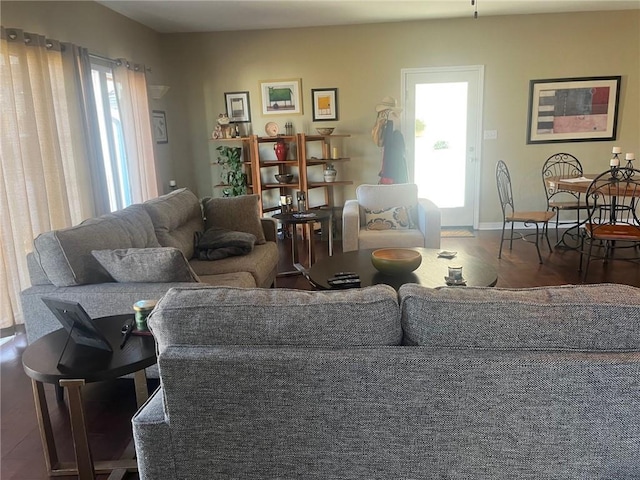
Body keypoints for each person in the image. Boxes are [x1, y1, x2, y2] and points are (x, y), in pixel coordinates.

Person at [372, 96, 408, 184]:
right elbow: (379, 142)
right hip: (391, 169)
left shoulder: (392, 123)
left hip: (392, 170)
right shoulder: (386, 122)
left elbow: (380, 143)